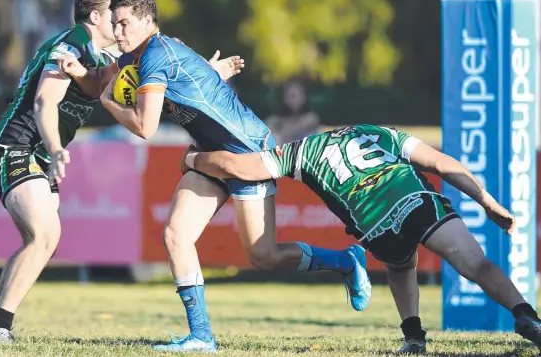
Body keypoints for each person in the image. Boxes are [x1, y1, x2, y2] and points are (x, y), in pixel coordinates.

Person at [59, 0, 371, 352]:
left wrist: (109, 103)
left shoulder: (157, 56)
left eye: (125, 23)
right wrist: (80, 70)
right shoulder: (137, 55)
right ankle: (201, 336)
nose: (118, 31)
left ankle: (346, 262)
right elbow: (101, 81)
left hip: (248, 152)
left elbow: (145, 127)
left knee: (263, 256)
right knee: (176, 234)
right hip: (212, 152)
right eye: (114, 24)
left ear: (147, 21)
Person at [0, 0, 246, 345]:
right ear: (96, 16)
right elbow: (44, 103)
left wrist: (204, 75)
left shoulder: (105, 59)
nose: (119, 23)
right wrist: (54, 147)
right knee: (45, 235)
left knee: (40, 241)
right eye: (114, 16)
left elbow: (124, 80)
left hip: (39, 155)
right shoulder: (70, 45)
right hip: (15, 149)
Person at [179, 124, 541, 355]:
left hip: (373, 221)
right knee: (474, 264)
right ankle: (526, 314)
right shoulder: (378, 132)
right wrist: (487, 202)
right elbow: (441, 163)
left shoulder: (300, 150)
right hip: (413, 198)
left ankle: (413, 337)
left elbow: (239, 168)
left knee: (401, 263)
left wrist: (193, 159)